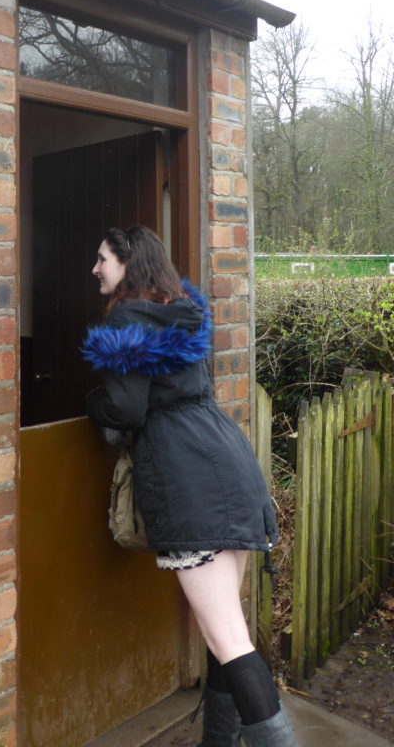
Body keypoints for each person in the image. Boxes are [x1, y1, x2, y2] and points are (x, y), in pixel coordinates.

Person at [82, 226, 297, 747]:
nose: (95, 269)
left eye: (102, 258)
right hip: (227, 461)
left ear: (127, 265)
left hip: (185, 475)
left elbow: (128, 409)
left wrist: (93, 405)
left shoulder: (127, 318)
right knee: (223, 631)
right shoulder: (183, 311)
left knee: (226, 634)